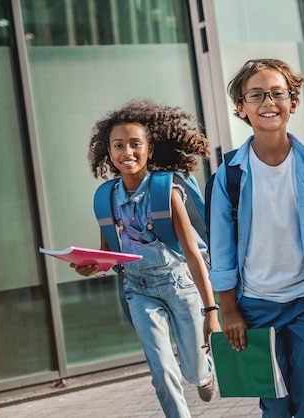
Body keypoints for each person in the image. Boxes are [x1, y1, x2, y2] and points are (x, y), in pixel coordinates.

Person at [208, 58, 304, 418]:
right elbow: (221, 249)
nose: (268, 102)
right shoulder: (228, 174)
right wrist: (228, 309)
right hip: (255, 306)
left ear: (293, 102)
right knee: (273, 404)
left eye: (278, 93)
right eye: (256, 95)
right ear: (241, 108)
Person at [72, 99, 221, 418]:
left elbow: (193, 255)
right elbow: (110, 255)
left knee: (193, 372)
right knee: (162, 370)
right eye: (118, 145)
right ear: (108, 153)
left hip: (181, 286)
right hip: (139, 290)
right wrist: (90, 267)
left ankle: (204, 374)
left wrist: (211, 310)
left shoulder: (165, 192)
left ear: (150, 150)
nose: (127, 151)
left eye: (135, 144)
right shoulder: (105, 197)